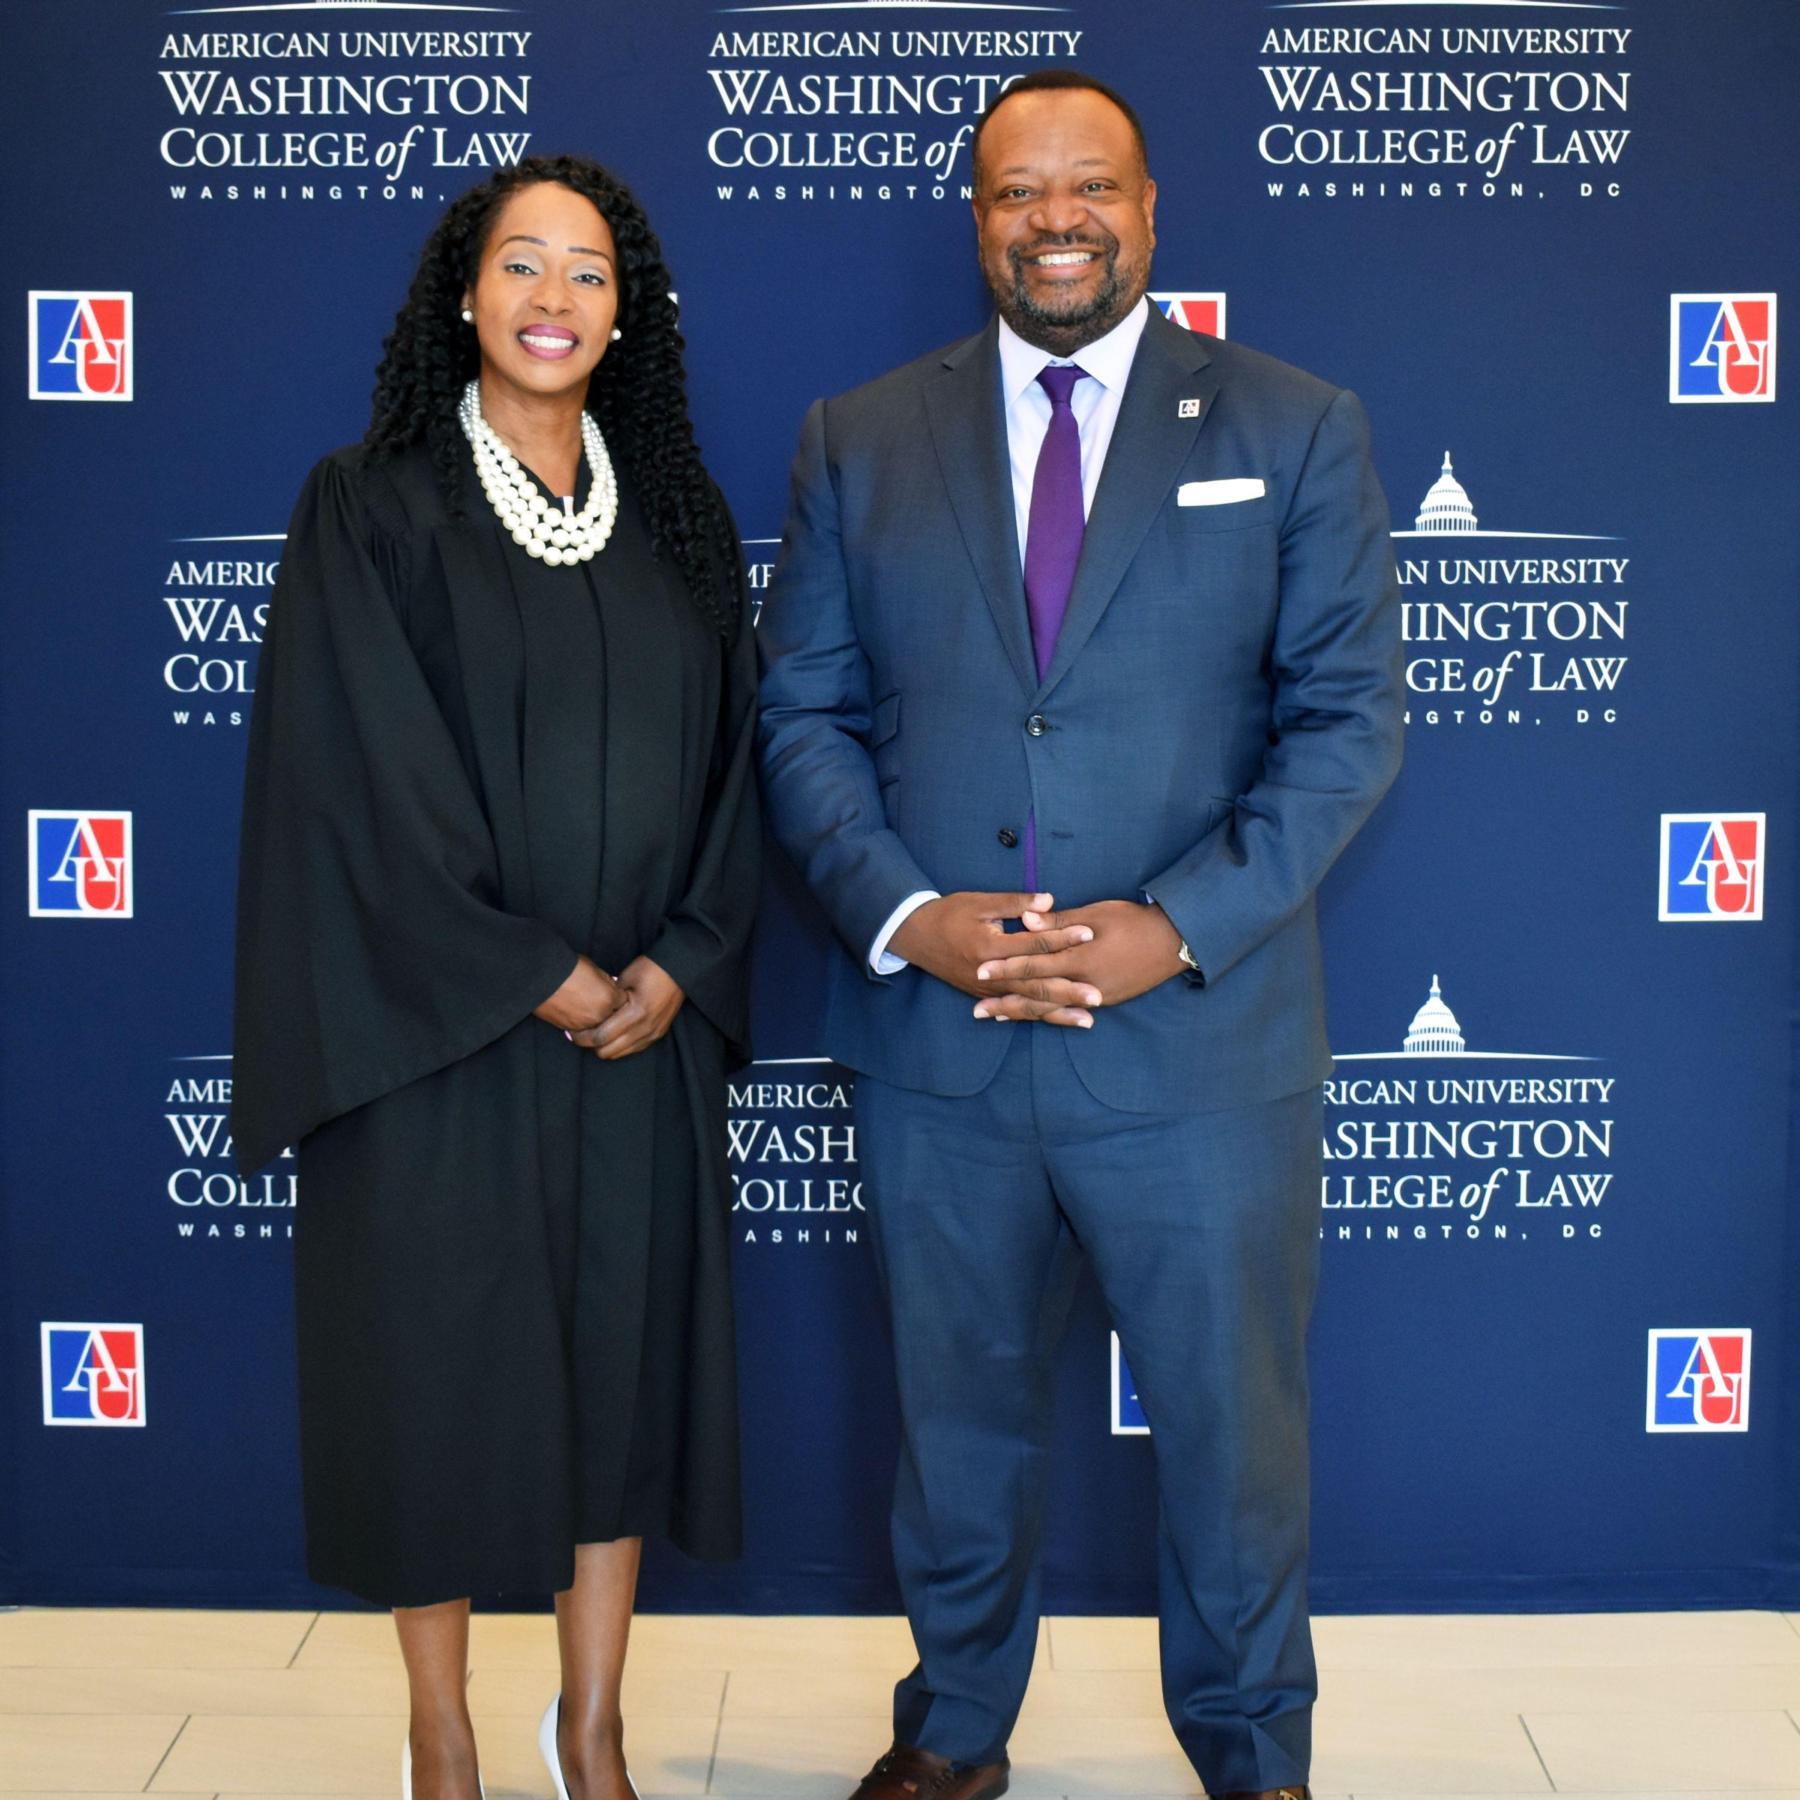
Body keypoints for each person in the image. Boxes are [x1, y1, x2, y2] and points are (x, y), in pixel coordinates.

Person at [757, 70, 1402, 1800]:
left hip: (1198, 1047)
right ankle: (956, 1735)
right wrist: (906, 914)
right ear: (977, 220)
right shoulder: (860, 435)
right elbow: (802, 715)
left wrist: (1168, 930)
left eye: (1089, 186)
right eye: (1017, 192)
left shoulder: (1293, 422)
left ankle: (1254, 1751)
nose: (1056, 221)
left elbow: (1347, 726)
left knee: (1233, 1447)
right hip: (939, 1053)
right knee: (955, 1438)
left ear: (1149, 206)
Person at [231, 154, 760, 1800]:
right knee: (440, 1392)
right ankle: (444, 1737)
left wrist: (678, 962)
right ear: (463, 295)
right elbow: (355, 784)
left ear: (628, 311)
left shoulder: (676, 519)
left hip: (638, 1046)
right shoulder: (371, 503)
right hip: (438, 1045)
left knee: (619, 1379)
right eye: (520, 265)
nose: (553, 298)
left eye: (589, 272)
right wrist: (535, 972)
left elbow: (743, 770)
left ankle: (593, 1730)